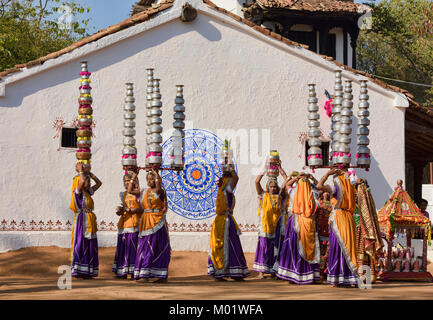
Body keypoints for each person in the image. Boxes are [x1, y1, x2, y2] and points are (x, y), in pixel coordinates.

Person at [316, 166, 359, 287]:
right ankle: (349, 277)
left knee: (337, 246)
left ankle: (338, 277)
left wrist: (328, 174)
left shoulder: (335, 189)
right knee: (348, 247)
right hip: (348, 219)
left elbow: (319, 186)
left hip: (338, 218)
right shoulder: (350, 188)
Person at [276, 172, 321, 284]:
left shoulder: (294, 192)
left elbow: (286, 186)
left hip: (295, 222)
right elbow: (320, 187)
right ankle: (310, 275)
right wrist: (312, 178)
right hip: (309, 223)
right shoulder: (313, 194)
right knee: (310, 249)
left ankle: (294, 274)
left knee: (295, 248)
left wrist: (296, 178)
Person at [208, 166, 250, 281]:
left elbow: (236, 178)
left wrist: (231, 168)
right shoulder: (221, 186)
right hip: (219, 220)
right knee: (217, 245)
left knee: (232, 245)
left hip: (227, 221)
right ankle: (219, 272)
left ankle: (236, 272)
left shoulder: (228, 186)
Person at [134, 168, 170, 283]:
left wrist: (156, 173)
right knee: (145, 246)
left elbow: (158, 188)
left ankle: (158, 275)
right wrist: (135, 175)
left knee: (156, 247)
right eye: (148, 179)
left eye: (152, 179)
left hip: (157, 223)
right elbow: (130, 190)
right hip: (146, 222)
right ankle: (144, 272)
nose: (150, 181)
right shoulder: (145, 191)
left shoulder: (160, 191)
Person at [253, 162, 288, 279]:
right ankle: (261, 271)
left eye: (274, 186)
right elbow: (257, 182)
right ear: (267, 187)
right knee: (263, 248)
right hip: (265, 227)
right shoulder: (263, 195)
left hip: (276, 227)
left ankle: (273, 271)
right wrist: (263, 170)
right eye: (270, 186)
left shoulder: (280, 196)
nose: (272, 188)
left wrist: (281, 170)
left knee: (275, 249)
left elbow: (287, 182)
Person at [69, 162, 102, 278]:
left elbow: (99, 183)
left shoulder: (88, 193)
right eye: (88, 182)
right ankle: (79, 269)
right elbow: (82, 181)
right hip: (81, 221)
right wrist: (81, 171)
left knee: (90, 244)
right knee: (81, 243)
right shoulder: (77, 192)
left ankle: (88, 270)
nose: (89, 183)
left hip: (90, 221)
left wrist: (91, 174)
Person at [112, 172, 144, 279]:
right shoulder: (123, 194)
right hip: (124, 223)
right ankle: (122, 271)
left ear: (135, 182)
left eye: (129, 181)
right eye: (125, 181)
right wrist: (120, 210)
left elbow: (142, 208)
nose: (127, 183)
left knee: (133, 248)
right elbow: (123, 208)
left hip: (134, 224)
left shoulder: (140, 193)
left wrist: (131, 210)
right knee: (123, 247)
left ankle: (134, 272)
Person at [353, 179, 383, 283]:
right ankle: (367, 276)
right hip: (360, 228)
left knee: (362, 252)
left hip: (361, 229)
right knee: (362, 252)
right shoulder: (364, 199)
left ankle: (363, 275)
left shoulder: (366, 200)